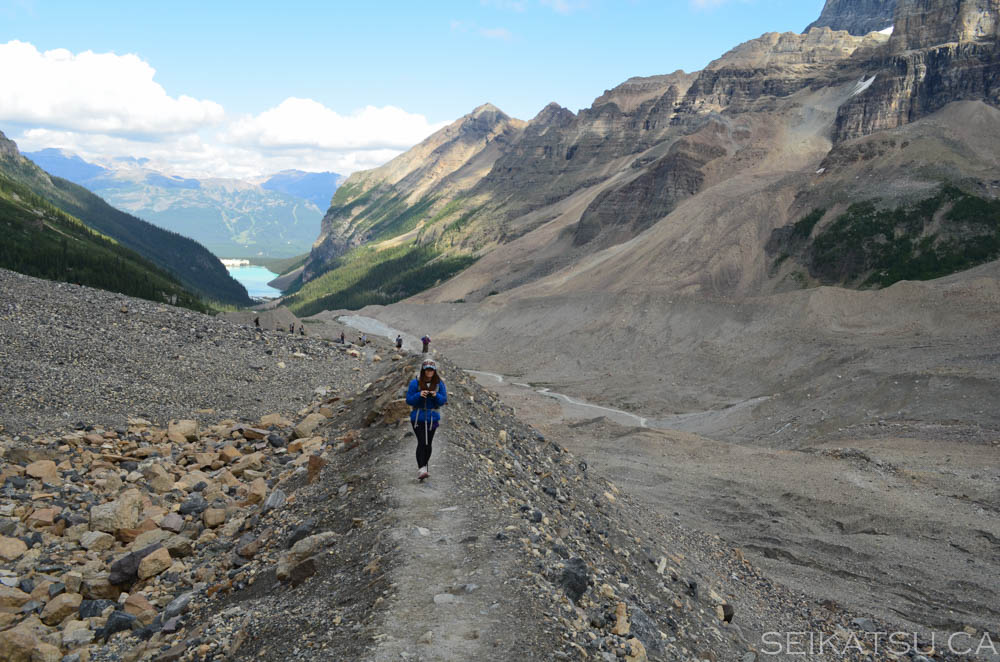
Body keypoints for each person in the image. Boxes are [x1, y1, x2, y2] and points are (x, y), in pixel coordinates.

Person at [406, 358, 447, 480]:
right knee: (422, 442)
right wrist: (419, 395)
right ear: (423, 370)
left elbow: (443, 401)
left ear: (434, 371)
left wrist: (436, 395)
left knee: (428, 444)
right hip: (418, 418)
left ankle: (424, 467)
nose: (429, 372)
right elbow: (409, 400)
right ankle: (422, 468)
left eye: (431, 370)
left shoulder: (440, 384)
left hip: (432, 419)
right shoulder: (415, 383)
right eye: (427, 370)